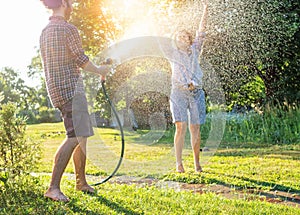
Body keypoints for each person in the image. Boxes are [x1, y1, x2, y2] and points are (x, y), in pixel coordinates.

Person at [39, 0, 111, 202]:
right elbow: (81, 59)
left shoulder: (45, 31)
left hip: (57, 90)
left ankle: (81, 181)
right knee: (74, 136)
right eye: (70, 2)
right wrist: (99, 71)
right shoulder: (68, 29)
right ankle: (53, 188)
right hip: (71, 90)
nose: (71, 6)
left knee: (81, 136)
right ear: (63, 3)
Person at [169, 0, 208, 173]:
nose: (182, 38)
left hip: (196, 93)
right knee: (180, 126)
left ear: (189, 39)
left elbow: (201, 31)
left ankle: (197, 163)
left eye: (185, 36)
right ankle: (179, 163)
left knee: (195, 127)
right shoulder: (172, 52)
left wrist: (205, 10)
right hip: (178, 93)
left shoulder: (195, 49)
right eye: (179, 36)